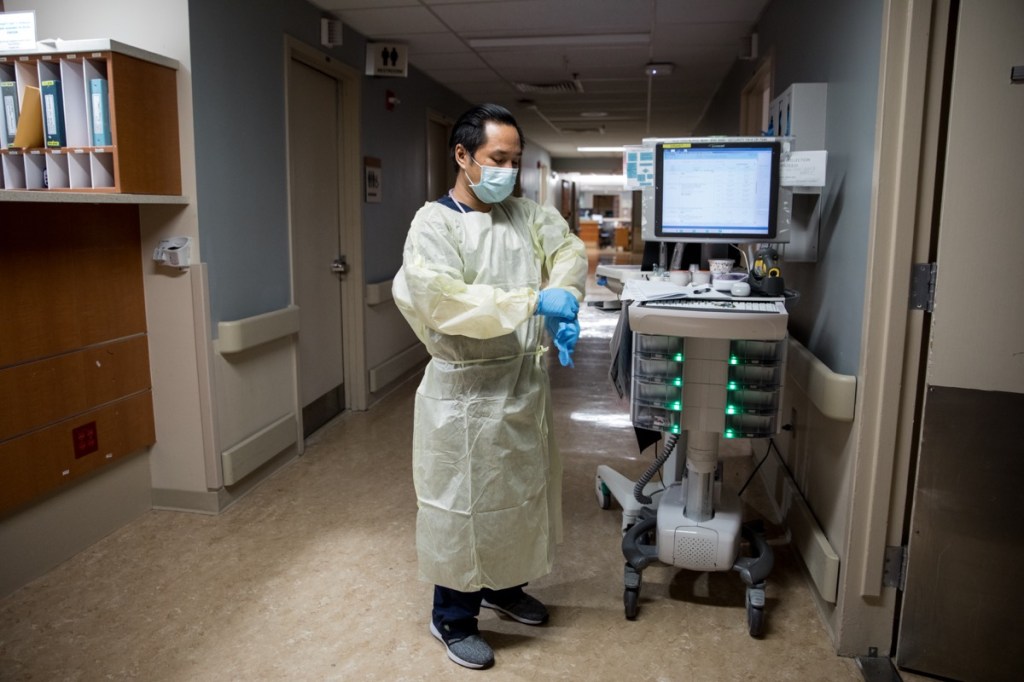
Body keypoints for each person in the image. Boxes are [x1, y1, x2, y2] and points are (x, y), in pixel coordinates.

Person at [392, 104, 588, 669]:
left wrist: (567, 297)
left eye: (516, 161)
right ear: (463, 156)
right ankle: (452, 616)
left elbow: (568, 250)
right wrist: (532, 301)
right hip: (464, 393)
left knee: (518, 496)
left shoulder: (527, 215)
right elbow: (443, 300)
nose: (509, 170)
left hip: (522, 383)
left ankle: (503, 588)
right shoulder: (435, 224)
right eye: (497, 159)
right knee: (464, 506)